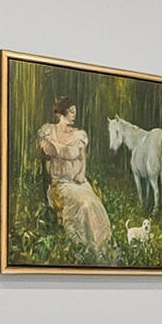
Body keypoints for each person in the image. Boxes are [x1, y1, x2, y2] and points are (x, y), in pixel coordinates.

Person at [37, 99, 113, 258]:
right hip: (62, 183)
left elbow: (82, 158)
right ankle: (84, 245)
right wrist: (60, 149)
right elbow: (46, 150)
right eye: (71, 112)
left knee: (93, 203)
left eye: (75, 112)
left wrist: (81, 174)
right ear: (61, 113)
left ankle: (100, 247)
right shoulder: (48, 131)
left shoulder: (79, 134)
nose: (74, 116)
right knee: (84, 204)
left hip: (79, 182)